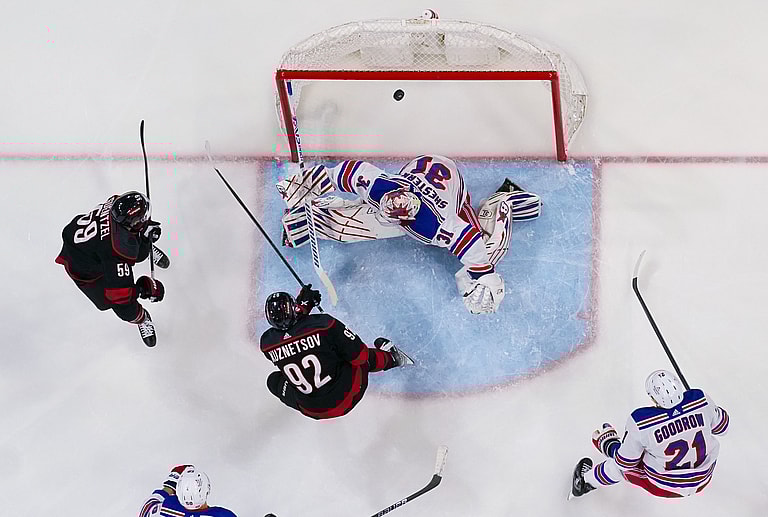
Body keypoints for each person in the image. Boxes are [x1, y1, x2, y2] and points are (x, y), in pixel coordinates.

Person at [276, 155, 541, 314]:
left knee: (491, 250)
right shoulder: (380, 187)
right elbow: (340, 174)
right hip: (415, 171)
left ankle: (500, 202)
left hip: (451, 187)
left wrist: (484, 281)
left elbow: (476, 251)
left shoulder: (438, 225)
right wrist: (308, 183)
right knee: (364, 225)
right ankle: (318, 220)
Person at [260, 285, 414, 420]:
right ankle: (394, 358)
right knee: (356, 357)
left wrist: (304, 306)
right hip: (345, 397)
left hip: (311, 409)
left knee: (273, 381)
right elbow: (359, 356)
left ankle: (315, 399)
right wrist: (305, 308)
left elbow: (291, 333)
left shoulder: (266, 343)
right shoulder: (325, 324)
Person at [570, 369, 729, 499]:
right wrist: (706, 411)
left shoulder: (642, 421)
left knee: (618, 468)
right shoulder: (700, 399)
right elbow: (722, 428)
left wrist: (608, 444)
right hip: (704, 477)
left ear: (653, 397)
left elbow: (625, 462)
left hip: (665, 485)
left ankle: (583, 483)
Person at [55, 191, 168, 347]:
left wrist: (143, 237)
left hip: (89, 244)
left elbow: (126, 227)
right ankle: (143, 318)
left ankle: (144, 245)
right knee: (110, 304)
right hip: (86, 271)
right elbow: (120, 299)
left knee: (136, 240)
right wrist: (142, 290)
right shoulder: (117, 250)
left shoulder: (115, 204)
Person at [139, 465, 238, 517]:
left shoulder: (166, 508)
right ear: (207, 490)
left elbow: (149, 505)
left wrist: (171, 483)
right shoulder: (223, 515)